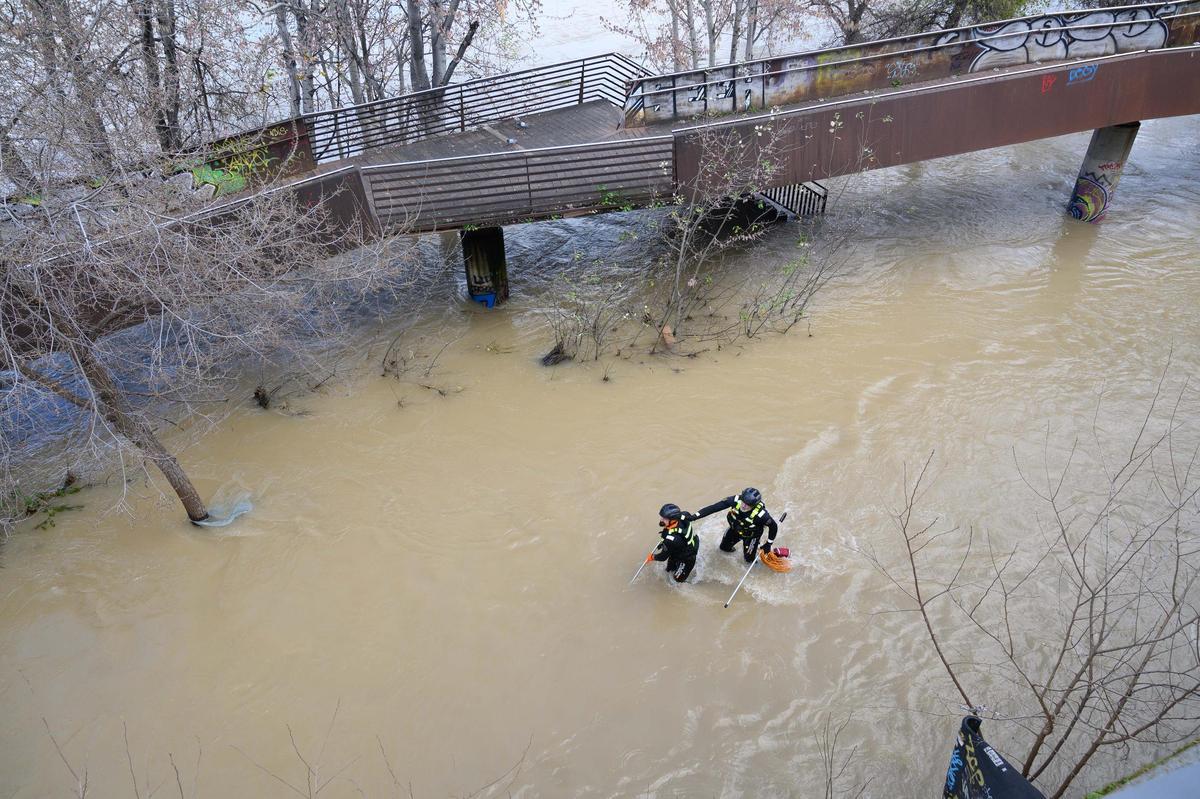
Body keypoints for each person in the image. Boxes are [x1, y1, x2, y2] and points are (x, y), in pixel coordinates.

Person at [691, 487, 778, 563]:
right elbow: (714, 508)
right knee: (724, 548)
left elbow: (773, 526)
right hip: (735, 530)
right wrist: (695, 516)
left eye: (748, 505)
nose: (744, 506)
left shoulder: (761, 515)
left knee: (748, 560)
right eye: (743, 502)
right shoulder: (735, 500)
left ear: (754, 505)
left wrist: (769, 543)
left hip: (751, 536)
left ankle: (761, 555)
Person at [649, 503, 699, 582]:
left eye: (664, 518)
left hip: (686, 558)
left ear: (673, 520)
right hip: (679, 549)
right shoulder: (684, 516)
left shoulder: (671, 540)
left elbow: (662, 557)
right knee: (669, 570)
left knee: (677, 580)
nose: (661, 520)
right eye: (662, 517)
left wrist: (652, 557)